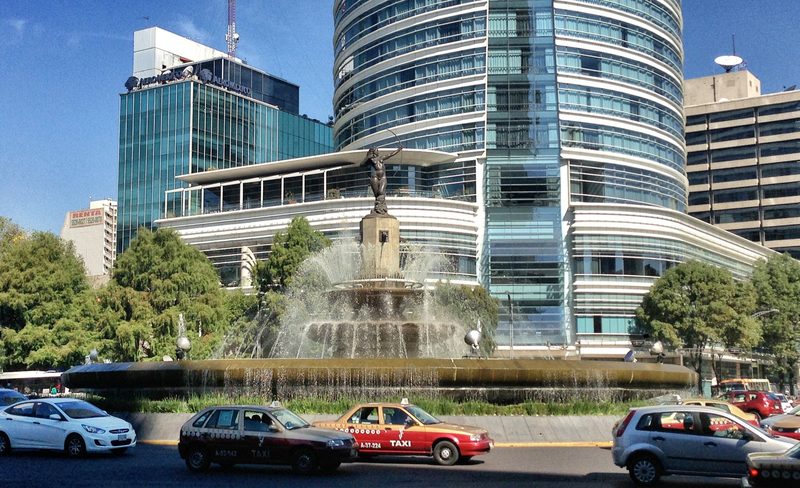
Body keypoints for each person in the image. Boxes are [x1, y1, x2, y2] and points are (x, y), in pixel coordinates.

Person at [363, 146, 401, 215]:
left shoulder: (381, 158)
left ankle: (382, 208)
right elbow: (362, 164)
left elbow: (390, 154)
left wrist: (398, 150)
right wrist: (368, 157)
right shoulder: (371, 160)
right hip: (374, 177)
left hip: (382, 177)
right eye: (377, 150)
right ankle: (377, 208)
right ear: (373, 151)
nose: (378, 151)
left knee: (381, 192)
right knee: (377, 194)